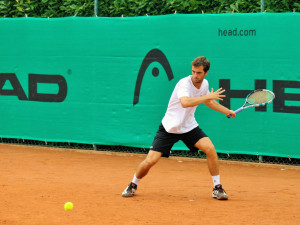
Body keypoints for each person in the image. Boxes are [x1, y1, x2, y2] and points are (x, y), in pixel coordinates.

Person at [122, 56, 236, 200]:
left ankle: (217, 188)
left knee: (210, 149)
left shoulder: (205, 84)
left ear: (206, 72)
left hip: (189, 126)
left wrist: (226, 110)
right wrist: (207, 97)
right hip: (169, 127)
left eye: (199, 72)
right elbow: (185, 102)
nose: (195, 75)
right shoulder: (184, 84)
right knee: (150, 161)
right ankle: (133, 184)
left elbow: (209, 102)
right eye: (193, 71)